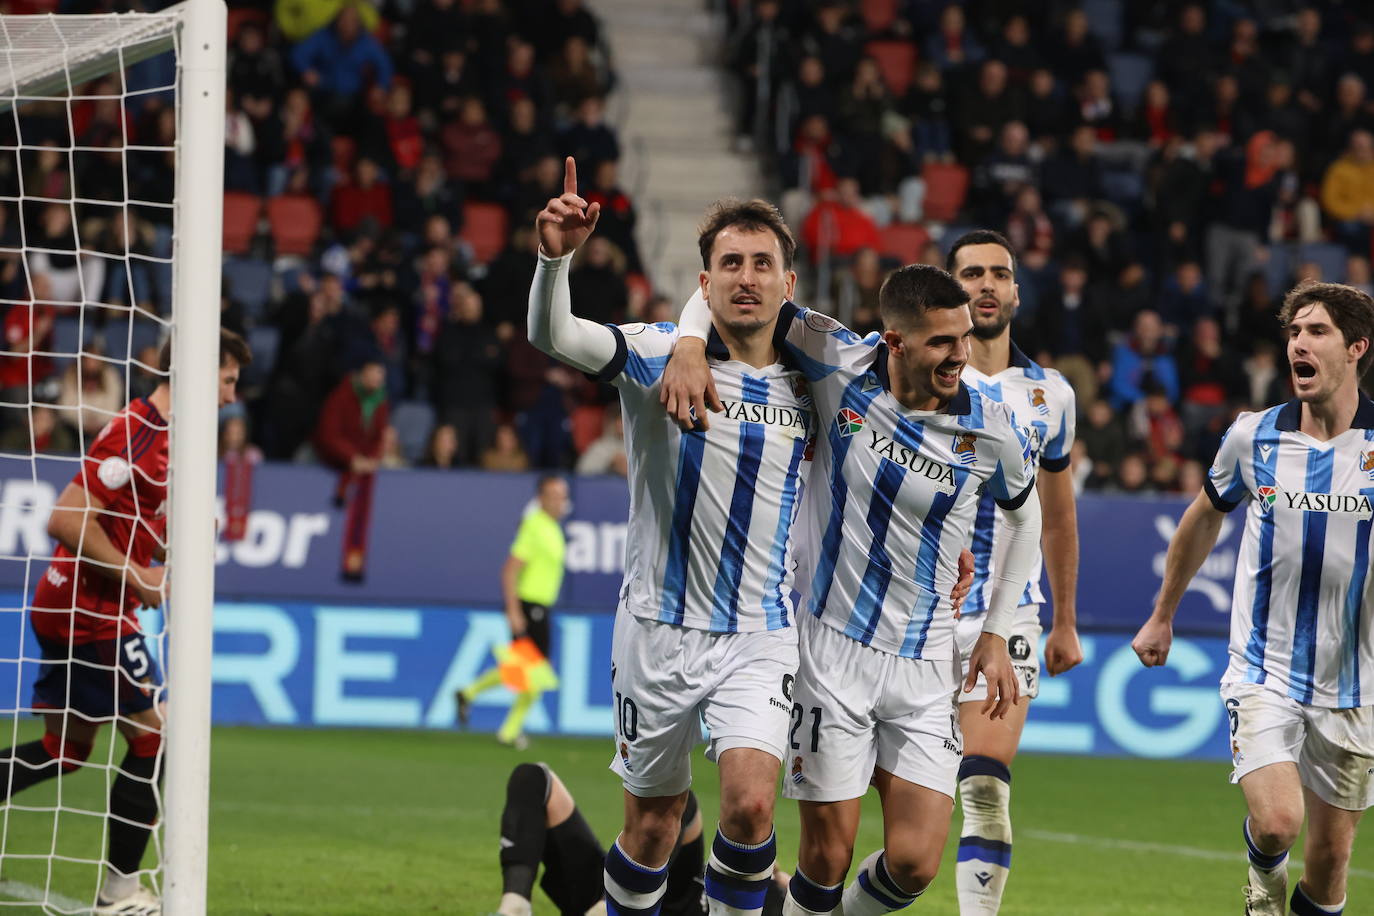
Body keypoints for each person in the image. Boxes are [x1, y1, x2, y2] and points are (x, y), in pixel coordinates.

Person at [667, 261, 1041, 916]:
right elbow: (728, 305)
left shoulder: (991, 427)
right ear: (895, 341)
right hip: (831, 652)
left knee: (915, 863)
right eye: (942, 343)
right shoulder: (838, 360)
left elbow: (1024, 514)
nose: (961, 354)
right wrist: (690, 343)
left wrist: (995, 632)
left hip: (926, 664)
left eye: (963, 338)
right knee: (825, 857)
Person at [529, 157, 814, 916]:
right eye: (730, 264)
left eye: (763, 264)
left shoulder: (816, 381)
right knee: (652, 827)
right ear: (705, 282)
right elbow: (554, 336)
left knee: (753, 806)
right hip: (655, 631)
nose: (746, 277)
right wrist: (554, 261)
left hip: (761, 632)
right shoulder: (656, 352)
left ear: (789, 285)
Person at [1132, 281, 1374, 916]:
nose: (1299, 342)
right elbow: (1202, 518)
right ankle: (1261, 893)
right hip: (1264, 669)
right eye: (1294, 331)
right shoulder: (1253, 437)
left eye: (1316, 331)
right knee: (1276, 823)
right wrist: (1163, 614)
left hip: (1357, 684)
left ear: (1356, 348)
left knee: (1328, 871)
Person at [0, 328, 250, 914]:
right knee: (153, 736)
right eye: (227, 380)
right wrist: (137, 576)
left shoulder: (174, 440)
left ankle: (119, 887)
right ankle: (119, 891)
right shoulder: (138, 433)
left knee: (64, 750)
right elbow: (64, 519)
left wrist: (172, 541)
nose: (232, 395)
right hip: (91, 614)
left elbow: (133, 527)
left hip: (70, 606)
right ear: (194, 372)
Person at [944, 230, 1083, 914]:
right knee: (892, 821)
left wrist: (1065, 619)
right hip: (912, 611)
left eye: (1000, 273)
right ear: (950, 288)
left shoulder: (1051, 394)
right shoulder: (915, 373)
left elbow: (1056, 517)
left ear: (1017, 292)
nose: (988, 284)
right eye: (972, 273)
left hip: (1011, 614)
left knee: (984, 785)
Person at [483, 763, 788, 916]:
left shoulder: (785, 903)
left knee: (680, 807)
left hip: (676, 909)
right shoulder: (771, 885)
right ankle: (515, 905)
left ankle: (610, 905)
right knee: (532, 778)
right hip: (626, 887)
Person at [457, 474, 570, 750]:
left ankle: (469, 694)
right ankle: (508, 730)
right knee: (535, 673)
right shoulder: (534, 526)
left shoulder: (553, 529)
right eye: (554, 496)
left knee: (522, 671)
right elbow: (509, 570)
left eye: (563, 496)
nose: (559, 502)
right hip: (529, 607)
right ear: (541, 498)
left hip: (540, 607)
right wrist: (513, 610)